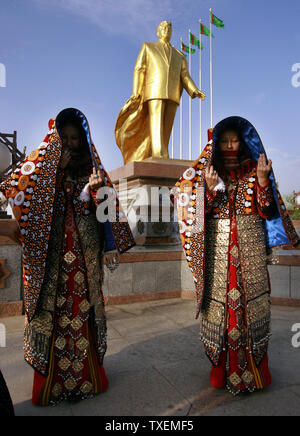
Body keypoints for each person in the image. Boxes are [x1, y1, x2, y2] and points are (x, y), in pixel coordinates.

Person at [0, 108, 135, 406]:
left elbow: (106, 217)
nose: (72, 144)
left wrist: (98, 194)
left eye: (76, 138)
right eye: (66, 138)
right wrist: (55, 172)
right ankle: (52, 386)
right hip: (52, 265)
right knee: (53, 317)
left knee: (83, 312)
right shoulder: (41, 173)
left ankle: (87, 380)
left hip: (84, 264)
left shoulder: (94, 174)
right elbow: (28, 208)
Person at [173, 116, 299, 395]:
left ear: (242, 141)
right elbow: (188, 210)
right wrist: (206, 191)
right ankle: (220, 370)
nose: (230, 146)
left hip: (250, 252)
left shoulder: (255, 170)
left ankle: (255, 371)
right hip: (218, 255)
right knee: (220, 311)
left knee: (252, 309)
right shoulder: (206, 171)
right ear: (217, 143)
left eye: (235, 140)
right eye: (225, 141)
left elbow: (267, 211)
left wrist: (264, 182)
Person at [115, 21, 205, 164]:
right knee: (156, 121)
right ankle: (158, 154)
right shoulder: (148, 47)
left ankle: (164, 153)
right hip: (154, 91)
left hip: (173, 93)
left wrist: (194, 90)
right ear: (158, 32)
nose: (166, 30)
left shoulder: (179, 55)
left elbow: (184, 75)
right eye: (163, 28)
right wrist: (136, 91)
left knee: (167, 125)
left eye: (169, 28)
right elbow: (139, 69)